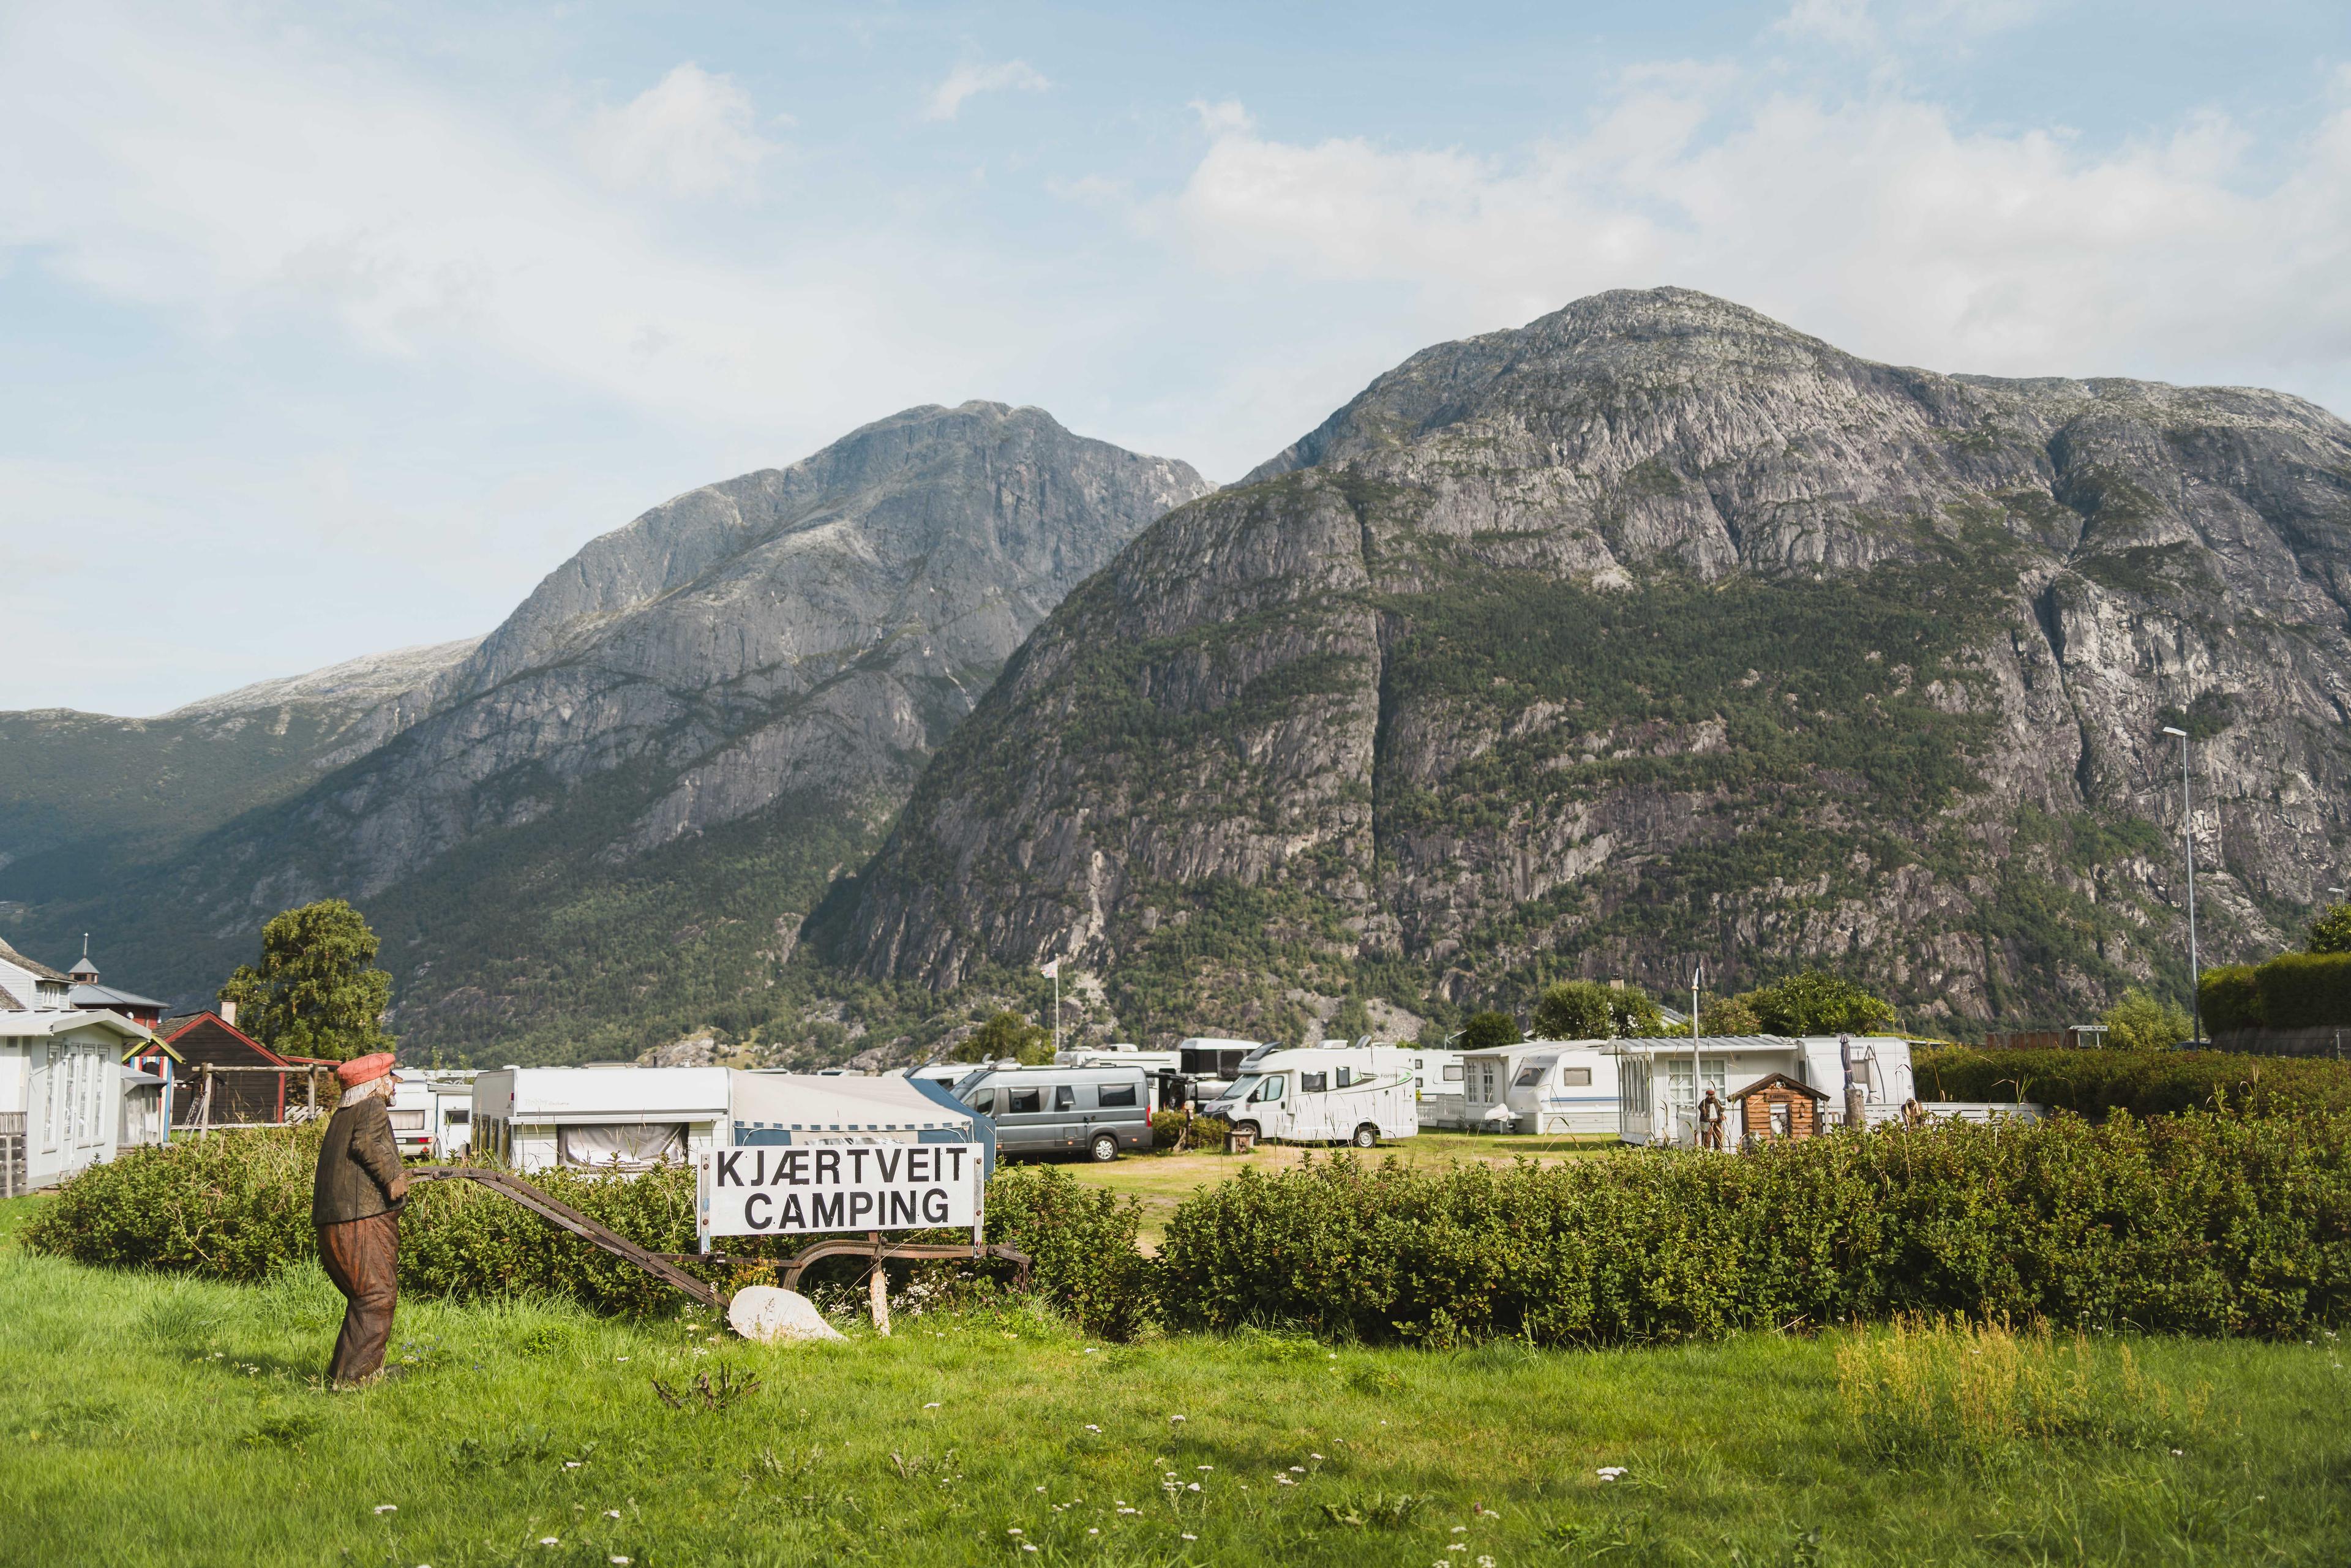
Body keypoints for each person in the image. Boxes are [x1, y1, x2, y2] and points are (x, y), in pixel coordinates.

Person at [312, 1052, 408, 1386]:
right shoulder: (371, 1108)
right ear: (376, 1083)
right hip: (359, 1220)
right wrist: (394, 1176)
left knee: (365, 1297)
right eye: (391, 1075)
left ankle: (344, 1373)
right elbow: (367, 1144)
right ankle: (358, 1378)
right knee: (377, 1296)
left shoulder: (343, 1115)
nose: (395, 1082)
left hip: (340, 1219)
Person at [1695, 1086, 1727, 1150]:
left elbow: (1721, 1109)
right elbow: (1700, 1107)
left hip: (1717, 1122)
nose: (1712, 1097)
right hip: (1707, 1122)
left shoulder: (1717, 1102)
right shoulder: (1704, 1102)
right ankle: (1706, 1152)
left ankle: (1719, 1152)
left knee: (1719, 1137)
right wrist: (1703, 1111)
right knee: (1707, 1138)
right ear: (1707, 1096)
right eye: (1710, 1095)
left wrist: (1722, 1111)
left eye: (1713, 1095)